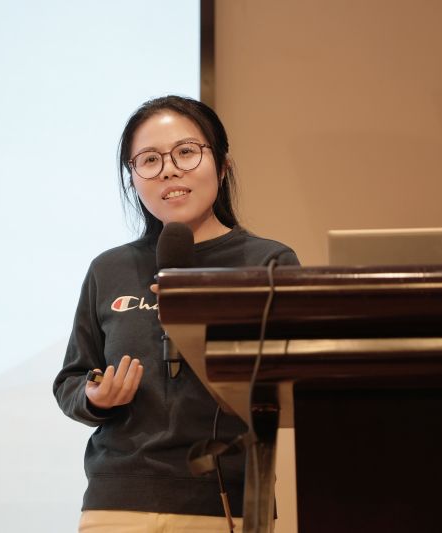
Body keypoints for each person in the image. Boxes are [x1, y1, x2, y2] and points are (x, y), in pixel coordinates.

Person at [53, 95, 299, 532]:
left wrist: (206, 322)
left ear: (221, 166)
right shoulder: (109, 269)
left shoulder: (269, 263)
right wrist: (95, 396)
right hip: (118, 500)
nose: (168, 170)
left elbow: (292, 375)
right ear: (133, 179)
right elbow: (71, 379)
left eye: (186, 152)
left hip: (224, 501)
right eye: (149, 160)